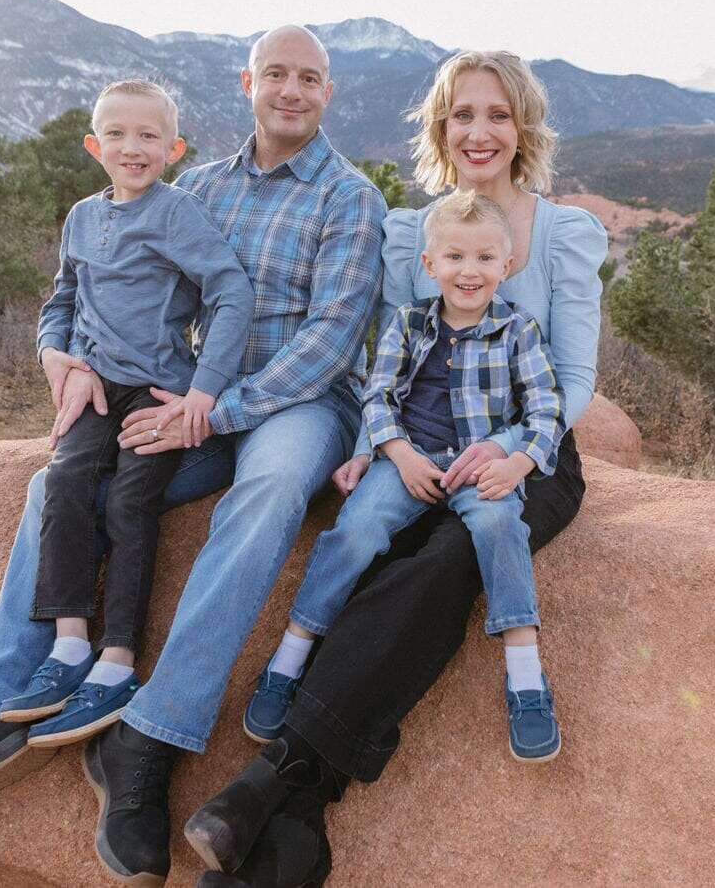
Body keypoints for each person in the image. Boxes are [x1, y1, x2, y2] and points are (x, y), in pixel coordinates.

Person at [0, 26, 387, 886]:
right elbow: (94, 287)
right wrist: (59, 361)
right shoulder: (200, 187)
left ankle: (146, 739)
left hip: (293, 405)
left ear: (327, 92)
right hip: (182, 396)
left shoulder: (348, 197)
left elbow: (332, 340)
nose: (292, 90)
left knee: (266, 492)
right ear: (248, 83)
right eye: (276, 75)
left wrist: (214, 413)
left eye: (311, 78)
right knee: (60, 479)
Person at [184, 49, 607, 887]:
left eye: (496, 114)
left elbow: (578, 377)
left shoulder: (562, 233)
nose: (478, 131)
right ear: (439, 129)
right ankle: (297, 821)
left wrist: (520, 454)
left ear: (523, 127)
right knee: (375, 544)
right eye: (461, 115)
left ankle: (274, 776)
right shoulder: (413, 234)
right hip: (415, 443)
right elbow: (388, 356)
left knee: (449, 559)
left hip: (529, 452)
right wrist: (367, 448)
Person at [240, 190, 566, 768]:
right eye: (456, 258)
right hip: (408, 459)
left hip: (480, 464)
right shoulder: (407, 324)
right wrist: (396, 454)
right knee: (356, 532)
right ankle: (292, 655)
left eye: (486, 259)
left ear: (507, 266)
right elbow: (380, 394)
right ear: (429, 264)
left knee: (499, 528)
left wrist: (516, 463)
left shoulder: (521, 331)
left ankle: (524, 674)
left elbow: (545, 410)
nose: (470, 272)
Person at [0, 79, 253, 751]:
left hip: (157, 390)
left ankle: (116, 661)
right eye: (117, 134)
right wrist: (57, 356)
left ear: (174, 148)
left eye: (147, 137)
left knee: (130, 501)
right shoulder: (82, 217)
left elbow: (230, 290)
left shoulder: (176, 214)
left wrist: (205, 390)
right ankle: (68, 645)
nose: (131, 148)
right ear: (93, 145)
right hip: (94, 386)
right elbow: (62, 299)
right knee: (66, 481)